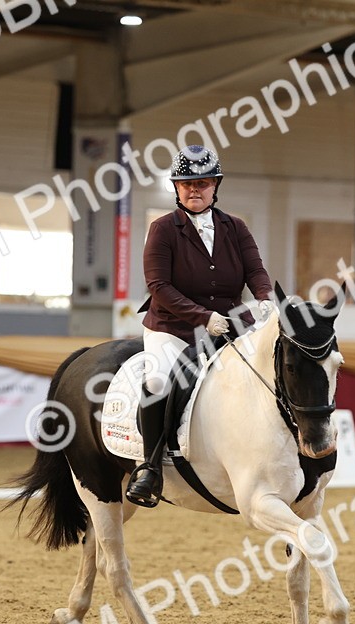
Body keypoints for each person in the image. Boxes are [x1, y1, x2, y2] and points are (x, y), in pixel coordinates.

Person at [126, 145, 274, 507]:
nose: (195, 189)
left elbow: (255, 270)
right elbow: (159, 286)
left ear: (215, 186)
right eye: (187, 183)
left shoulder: (235, 227)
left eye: (203, 183)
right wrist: (203, 317)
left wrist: (266, 298)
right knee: (159, 381)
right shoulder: (162, 229)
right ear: (177, 188)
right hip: (172, 325)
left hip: (230, 323)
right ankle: (150, 468)